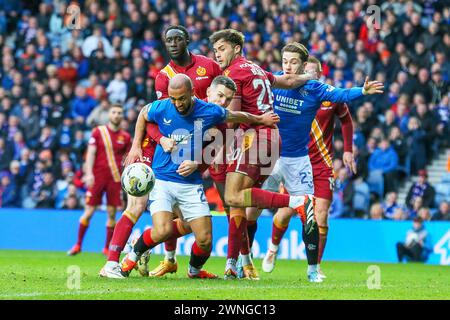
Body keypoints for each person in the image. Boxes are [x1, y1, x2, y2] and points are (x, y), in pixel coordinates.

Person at [119, 74, 279, 279]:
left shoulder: (210, 111)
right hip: (162, 180)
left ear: (192, 93)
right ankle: (131, 256)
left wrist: (260, 119)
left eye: (181, 99)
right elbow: (143, 114)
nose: (177, 103)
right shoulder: (163, 106)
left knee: (205, 241)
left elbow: (236, 116)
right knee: (163, 230)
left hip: (191, 184)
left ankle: (194, 271)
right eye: (173, 98)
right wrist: (158, 140)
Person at [100, 25, 223, 278]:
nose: (174, 43)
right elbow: (151, 116)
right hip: (160, 142)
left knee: (186, 219)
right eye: (169, 40)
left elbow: (221, 99)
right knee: (136, 203)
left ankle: (163, 254)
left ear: (187, 40)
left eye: (178, 39)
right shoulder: (163, 76)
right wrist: (155, 141)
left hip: (194, 145)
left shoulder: (209, 67)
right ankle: (113, 262)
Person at [258, 49, 382, 281]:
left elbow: (345, 113)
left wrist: (347, 149)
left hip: (321, 162)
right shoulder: (277, 83)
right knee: (284, 213)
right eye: (286, 62)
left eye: (309, 70)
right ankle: (272, 249)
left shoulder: (323, 93)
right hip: (286, 159)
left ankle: (315, 266)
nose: (305, 74)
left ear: (314, 72)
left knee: (319, 214)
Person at [67, 104, 131, 256]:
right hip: (97, 177)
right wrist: (88, 173)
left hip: (114, 179)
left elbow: (127, 158)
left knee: (111, 214)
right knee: (89, 211)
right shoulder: (98, 132)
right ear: (109, 115)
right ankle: (78, 245)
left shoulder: (126, 137)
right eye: (114, 112)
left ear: (122, 116)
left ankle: (107, 248)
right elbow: (90, 153)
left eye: (119, 113)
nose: (116, 115)